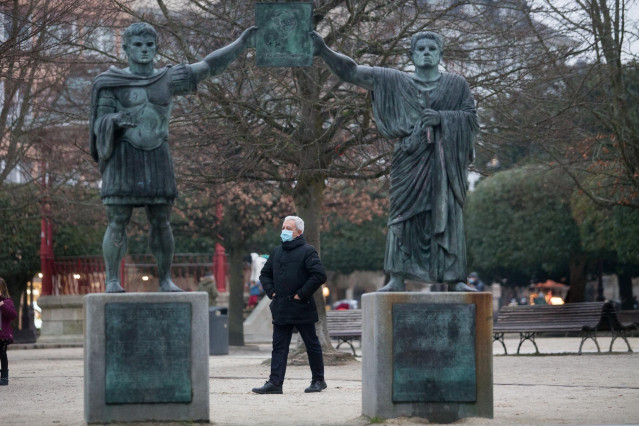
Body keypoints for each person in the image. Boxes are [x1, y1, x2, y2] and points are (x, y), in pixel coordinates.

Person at [89, 22, 257, 293]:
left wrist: (242, 43)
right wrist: (115, 120)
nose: (144, 50)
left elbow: (209, 66)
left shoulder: (168, 78)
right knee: (117, 220)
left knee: (161, 220)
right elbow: (100, 122)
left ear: (156, 48)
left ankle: (166, 279)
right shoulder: (111, 83)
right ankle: (111, 280)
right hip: (123, 157)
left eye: (149, 45)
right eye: (138, 45)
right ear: (125, 49)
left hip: (157, 155)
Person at [312, 31, 479, 292]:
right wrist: (323, 51)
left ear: (440, 54)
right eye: (420, 48)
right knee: (401, 217)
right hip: (409, 160)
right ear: (411, 55)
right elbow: (353, 72)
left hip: (443, 163)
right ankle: (397, 277)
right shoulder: (394, 80)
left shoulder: (457, 85)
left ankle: (455, 279)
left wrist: (443, 119)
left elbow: (470, 120)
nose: (426, 52)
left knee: (447, 214)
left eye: (431, 48)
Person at [252, 216, 327, 394]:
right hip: (281, 307)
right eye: (284, 227)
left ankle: (318, 380)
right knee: (279, 347)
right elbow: (264, 274)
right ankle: (275, 383)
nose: (284, 231)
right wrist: (272, 292)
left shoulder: (308, 251)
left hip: (302, 307)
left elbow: (319, 275)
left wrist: (301, 294)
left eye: (289, 228)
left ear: (299, 232)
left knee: (311, 345)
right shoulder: (277, 251)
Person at [0, 278, 17, 386]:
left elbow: (13, 315)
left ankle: (4, 377)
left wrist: (3, 305)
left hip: (2, 334)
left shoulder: (7, 301)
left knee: (2, 354)